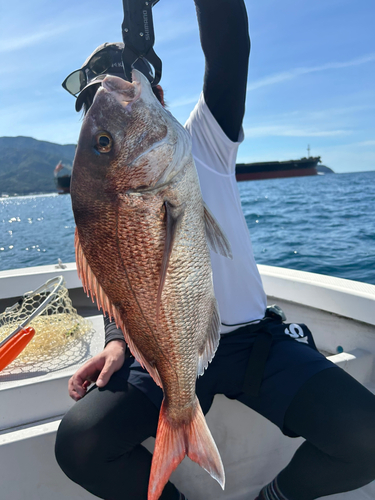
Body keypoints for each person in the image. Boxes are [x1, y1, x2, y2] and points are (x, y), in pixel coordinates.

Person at [55, 1, 375, 499]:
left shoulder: (206, 140)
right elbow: (121, 272)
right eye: (101, 133)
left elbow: (230, 46)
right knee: (80, 443)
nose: (113, 108)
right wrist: (119, 340)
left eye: (127, 90)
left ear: (158, 94)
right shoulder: (98, 197)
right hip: (163, 355)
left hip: (253, 342)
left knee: (368, 438)